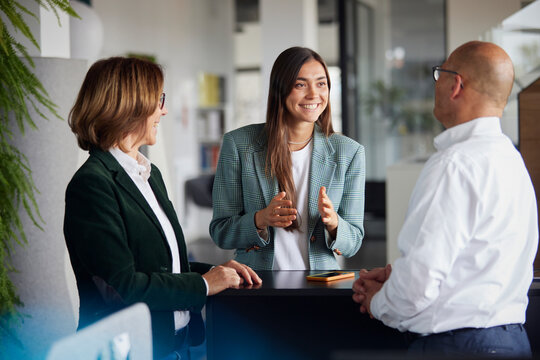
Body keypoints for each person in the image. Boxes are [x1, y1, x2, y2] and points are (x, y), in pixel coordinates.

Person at [63, 57, 261, 360]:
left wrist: (216, 272)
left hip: (174, 345)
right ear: (131, 104)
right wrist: (205, 284)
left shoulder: (148, 175)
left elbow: (161, 266)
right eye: (159, 100)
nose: (164, 110)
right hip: (129, 351)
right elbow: (124, 286)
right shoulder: (92, 184)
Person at [352, 41, 538, 358]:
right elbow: (474, 259)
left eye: (439, 74)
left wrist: (378, 301)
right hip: (511, 342)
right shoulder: (511, 160)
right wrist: (398, 275)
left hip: (456, 347)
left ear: (455, 84)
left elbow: (416, 288)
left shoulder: (454, 165)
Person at [210, 47, 365, 270]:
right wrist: (261, 219)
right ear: (280, 90)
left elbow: (354, 242)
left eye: (321, 83)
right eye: (300, 84)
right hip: (256, 285)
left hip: (319, 287)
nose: (313, 94)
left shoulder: (349, 153)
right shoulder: (238, 145)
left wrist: (334, 224)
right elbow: (221, 232)